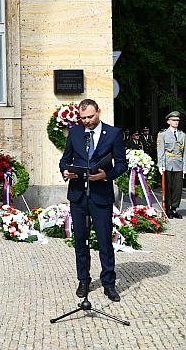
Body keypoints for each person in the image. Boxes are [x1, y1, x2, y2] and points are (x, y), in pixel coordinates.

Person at [59, 98, 127, 303]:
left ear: (99, 111)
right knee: (80, 241)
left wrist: (105, 176)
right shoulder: (75, 132)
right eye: (83, 118)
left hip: (101, 195)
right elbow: (65, 159)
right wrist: (65, 170)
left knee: (105, 242)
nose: (87, 121)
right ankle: (83, 280)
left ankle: (108, 283)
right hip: (78, 194)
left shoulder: (113, 134)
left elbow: (121, 164)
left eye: (90, 116)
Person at [157, 111, 186, 219]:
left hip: (179, 164)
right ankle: (168, 208)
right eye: (174, 120)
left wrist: (184, 168)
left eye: (177, 120)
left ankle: (174, 208)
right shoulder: (163, 134)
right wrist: (160, 165)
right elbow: (160, 150)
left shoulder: (183, 135)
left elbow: (185, 153)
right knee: (168, 187)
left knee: (177, 188)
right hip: (168, 163)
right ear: (169, 121)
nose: (176, 122)